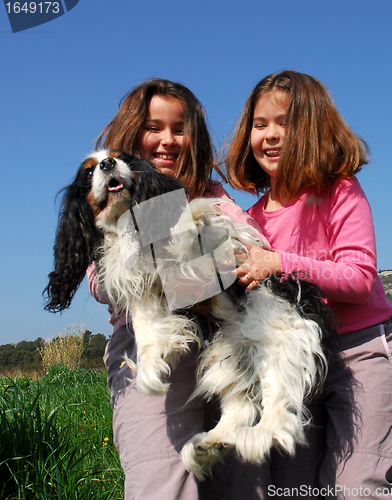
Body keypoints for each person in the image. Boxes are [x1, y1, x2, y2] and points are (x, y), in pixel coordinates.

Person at [226, 70, 392, 499]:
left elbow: (360, 280)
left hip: (360, 354)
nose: (270, 135)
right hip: (294, 366)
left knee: (359, 484)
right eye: (260, 124)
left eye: (285, 123)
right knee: (294, 487)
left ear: (313, 128)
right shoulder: (250, 219)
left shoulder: (340, 190)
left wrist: (278, 263)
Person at [88, 79, 268, 500]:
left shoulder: (213, 194)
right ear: (133, 133)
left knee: (243, 483)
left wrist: (164, 260)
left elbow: (250, 251)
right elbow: (100, 281)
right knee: (162, 481)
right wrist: (196, 261)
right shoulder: (111, 193)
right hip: (148, 355)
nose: (168, 140)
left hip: (230, 346)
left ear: (196, 138)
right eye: (154, 128)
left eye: (180, 129)